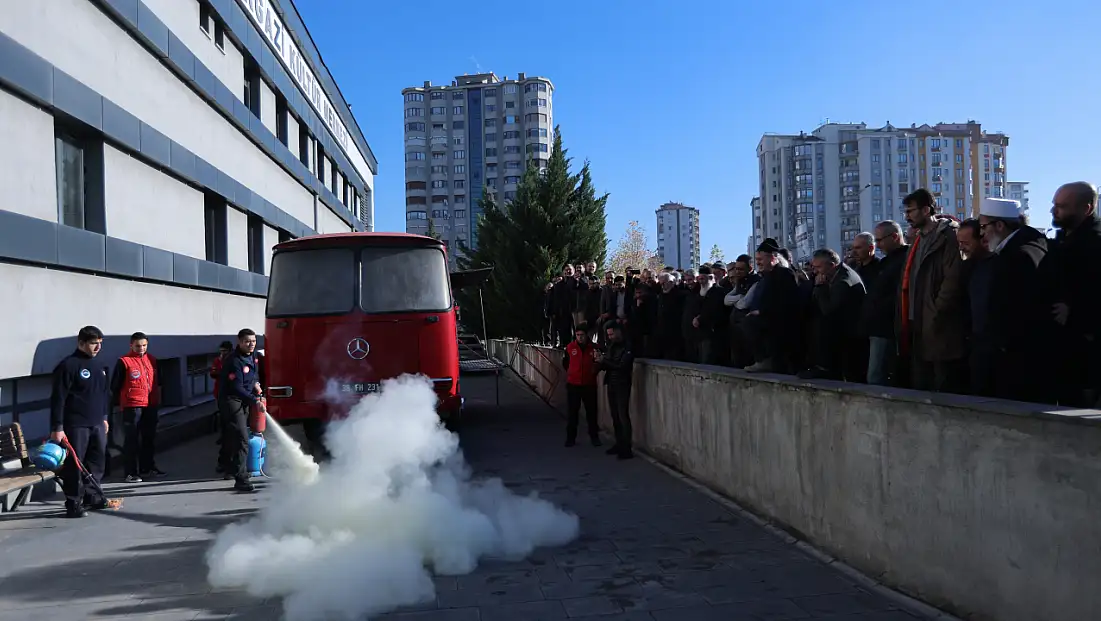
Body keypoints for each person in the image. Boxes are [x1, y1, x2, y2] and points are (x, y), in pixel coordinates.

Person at [49, 326, 112, 518]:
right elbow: (58, 399)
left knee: (97, 461)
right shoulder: (68, 366)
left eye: (100, 343)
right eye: (93, 343)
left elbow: (104, 395)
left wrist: (104, 417)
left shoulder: (100, 365)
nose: (98, 347)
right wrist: (57, 427)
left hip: (97, 423)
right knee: (75, 465)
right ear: (81, 343)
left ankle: (92, 496)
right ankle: (73, 502)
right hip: (76, 424)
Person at [111, 332, 164, 483]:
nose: (141, 349)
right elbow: (115, 385)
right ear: (131, 345)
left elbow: (159, 382)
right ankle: (130, 472)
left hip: (150, 404)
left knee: (149, 437)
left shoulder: (152, 360)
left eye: (144, 345)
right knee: (132, 439)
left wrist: (158, 400)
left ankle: (147, 467)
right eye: (138, 346)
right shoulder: (124, 362)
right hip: (132, 406)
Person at [219, 328, 262, 492]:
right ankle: (241, 479)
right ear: (240, 342)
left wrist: (256, 385)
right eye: (247, 341)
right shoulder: (234, 361)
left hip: (244, 399)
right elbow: (236, 387)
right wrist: (254, 401)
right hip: (231, 400)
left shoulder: (253, 355)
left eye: (254, 341)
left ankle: (230, 468)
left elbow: (253, 375)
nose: (251, 344)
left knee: (234, 436)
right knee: (242, 438)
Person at [595, 322, 634, 460]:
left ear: (618, 331)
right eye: (608, 334)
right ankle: (619, 443)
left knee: (623, 416)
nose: (610, 337)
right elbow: (609, 363)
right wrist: (600, 362)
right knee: (615, 416)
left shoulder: (628, 346)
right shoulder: (612, 346)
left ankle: (627, 448)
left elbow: (622, 366)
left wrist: (604, 361)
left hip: (622, 384)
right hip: (611, 383)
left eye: (612, 334)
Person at [562, 324, 601, 447]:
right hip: (573, 384)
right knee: (572, 413)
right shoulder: (570, 347)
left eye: (582, 335)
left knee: (592, 412)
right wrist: (572, 373)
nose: (580, 337)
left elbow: (598, 363)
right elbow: (565, 363)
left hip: (589, 385)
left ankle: (594, 437)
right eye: (578, 335)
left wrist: (593, 371)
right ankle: (570, 438)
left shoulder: (593, 348)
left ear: (586, 335)